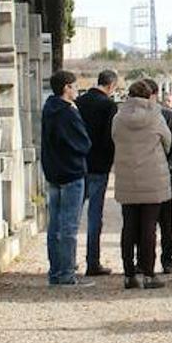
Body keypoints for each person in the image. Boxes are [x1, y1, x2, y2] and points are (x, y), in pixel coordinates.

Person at [111, 80, 172, 289]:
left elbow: (114, 138)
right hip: (152, 176)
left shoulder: (119, 118)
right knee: (148, 227)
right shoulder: (155, 116)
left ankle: (129, 274)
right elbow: (167, 141)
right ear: (149, 96)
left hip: (127, 175)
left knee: (128, 226)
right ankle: (148, 273)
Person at [41, 70, 93, 286]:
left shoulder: (49, 109)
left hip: (54, 171)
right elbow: (83, 143)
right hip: (71, 172)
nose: (76, 90)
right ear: (66, 88)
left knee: (54, 226)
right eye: (74, 86)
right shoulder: (68, 112)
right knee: (69, 227)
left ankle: (55, 271)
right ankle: (66, 273)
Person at [75, 69, 118, 276]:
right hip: (99, 165)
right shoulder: (108, 105)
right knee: (94, 216)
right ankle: (93, 262)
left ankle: (68, 260)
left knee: (73, 214)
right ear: (111, 86)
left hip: (78, 163)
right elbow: (109, 137)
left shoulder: (80, 102)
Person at [144, 78, 172, 275]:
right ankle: (143, 260)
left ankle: (168, 259)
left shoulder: (168, 116)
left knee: (166, 222)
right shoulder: (132, 117)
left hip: (163, 176)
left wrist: (168, 169)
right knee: (142, 222)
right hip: (141, 176)